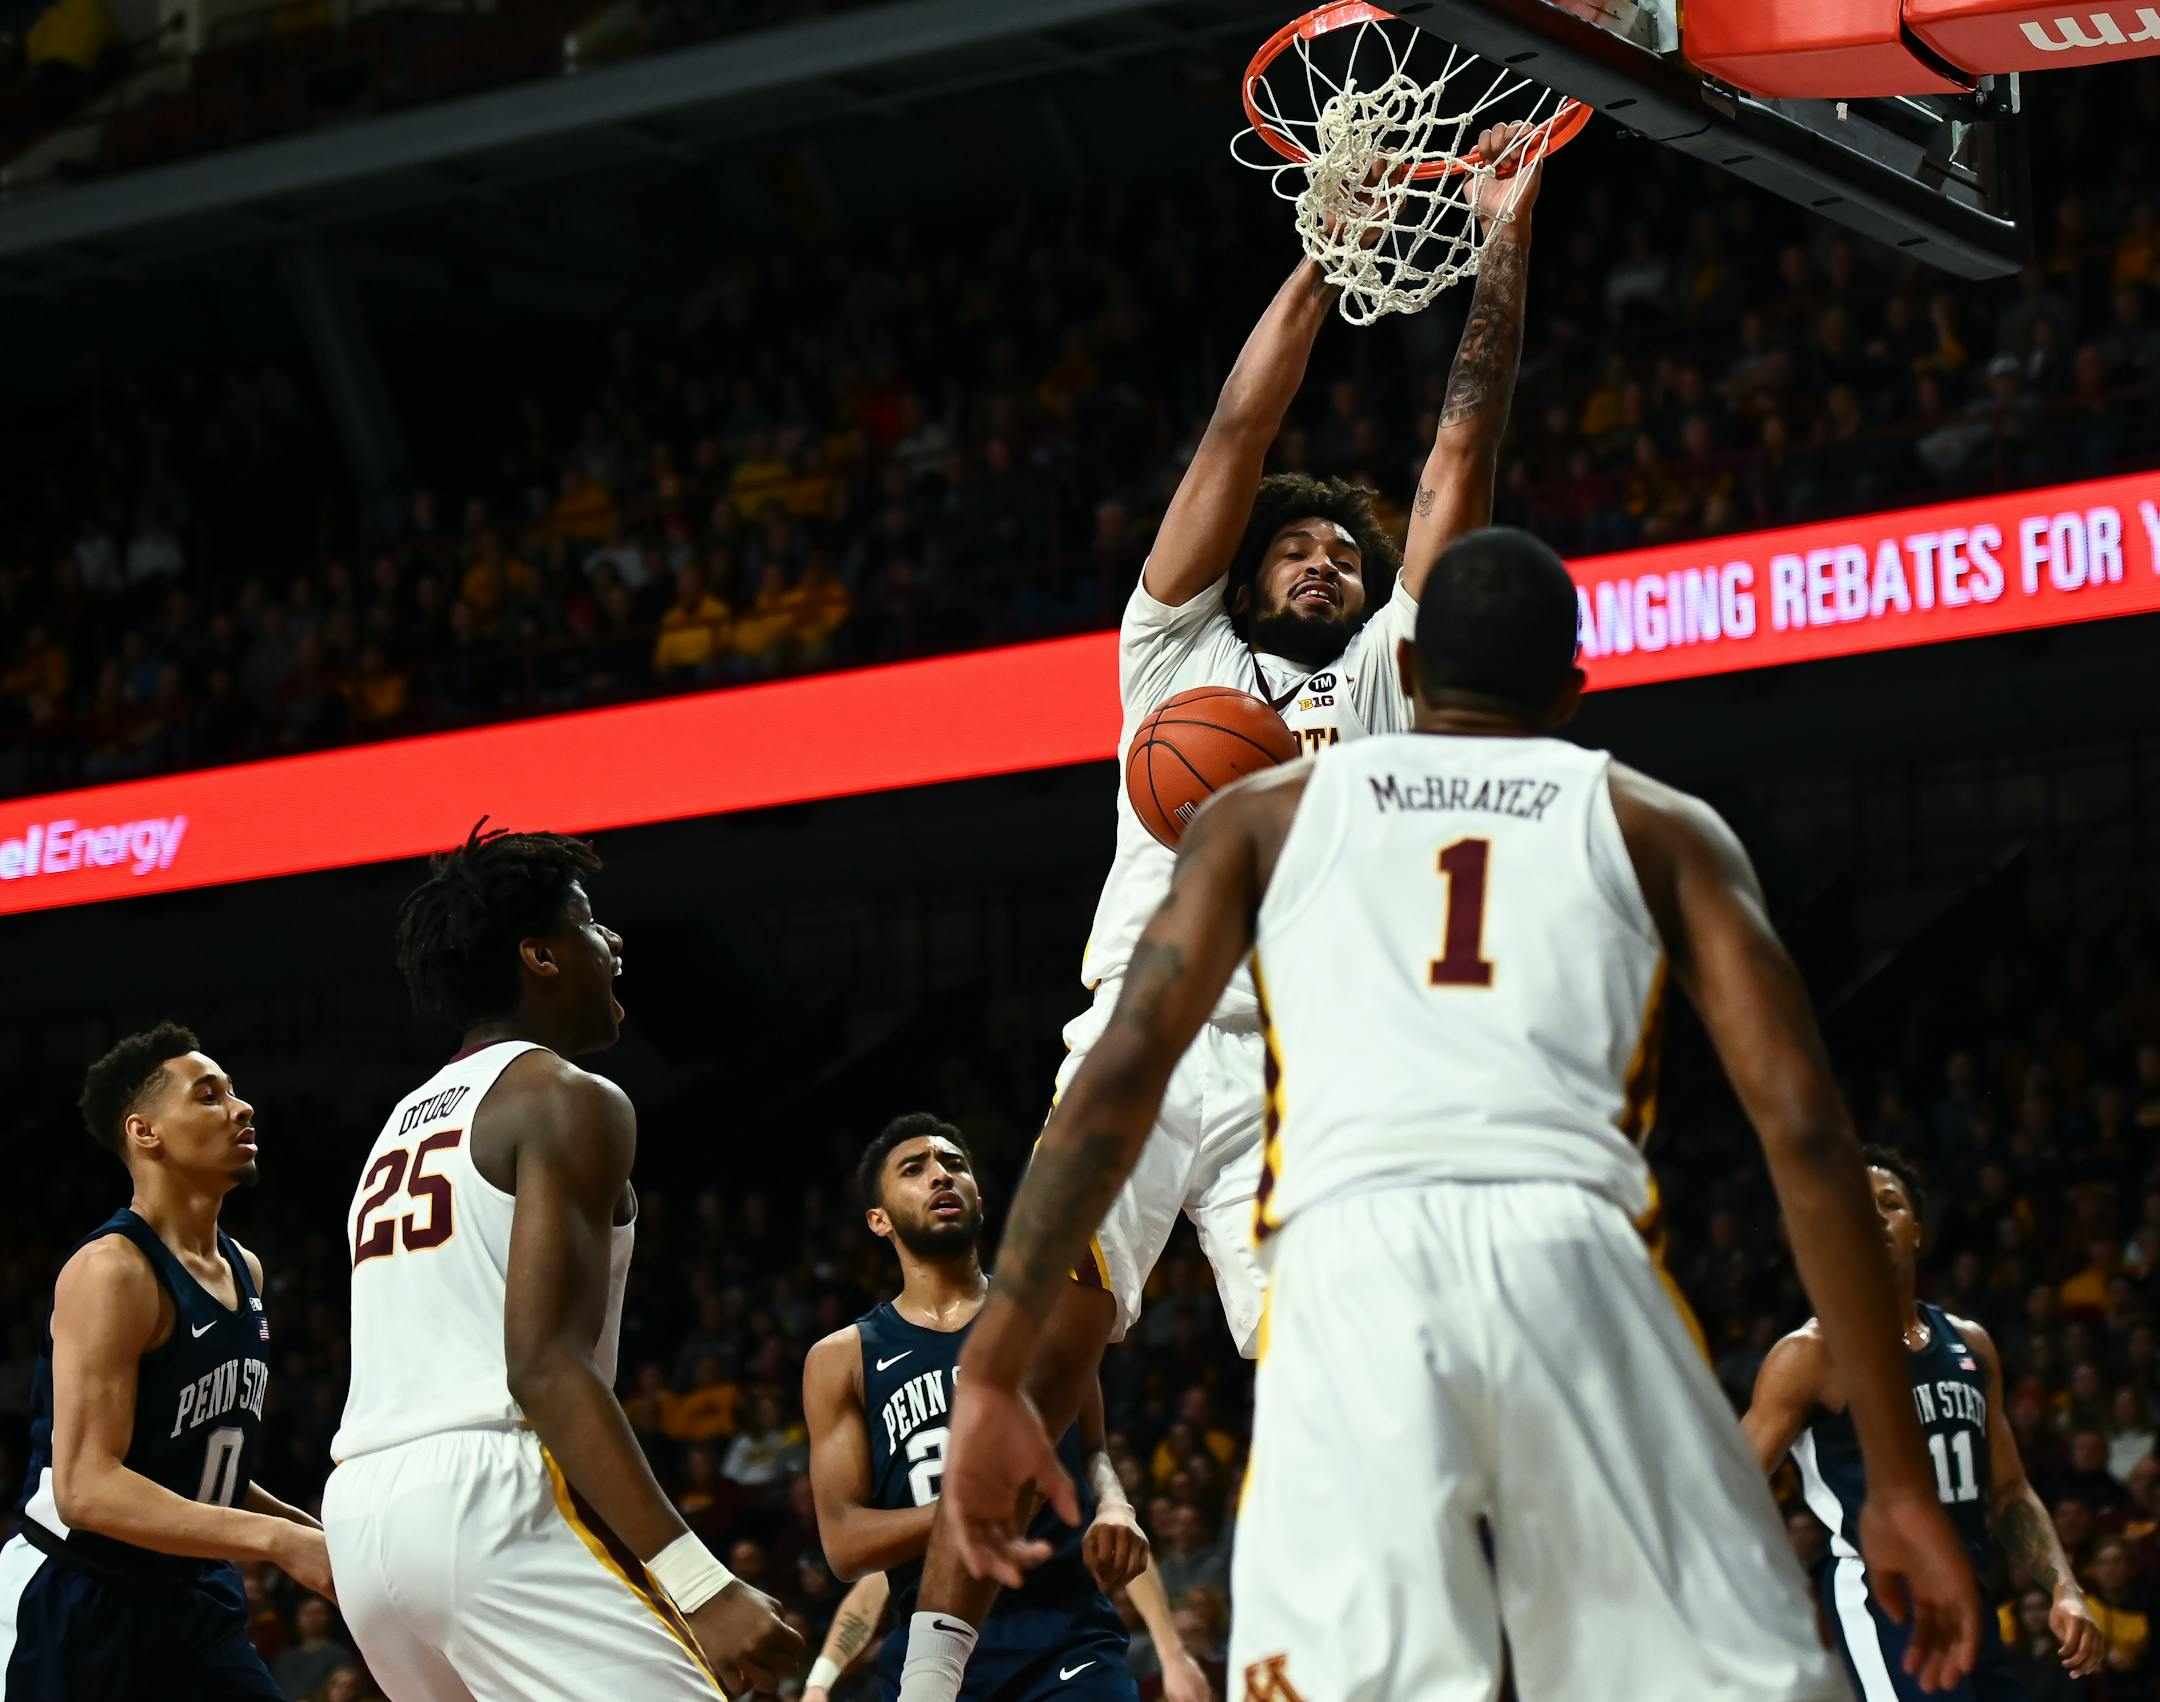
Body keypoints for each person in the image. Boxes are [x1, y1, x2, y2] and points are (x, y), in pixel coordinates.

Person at [938, 528, 1984, 1700]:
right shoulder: (1658, 825)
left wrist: (992, 1373)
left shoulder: (1265, 815)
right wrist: (1900, 1482)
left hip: (1349, 1275)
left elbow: (1115, 1085)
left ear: (1410, 672)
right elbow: (1807, 1135)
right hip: (1573, 1259)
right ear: (1571, 691)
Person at [894, 123, 1546, 1702]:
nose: (1326, 563)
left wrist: (1499, 256)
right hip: (1141, 1023)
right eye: (1299, 547)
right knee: (1026, 1364)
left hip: (1306, 1068)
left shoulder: (1385, 676)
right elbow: (1237, 430)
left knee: (1347, 1387)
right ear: (1247, 572)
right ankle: (925, 1682)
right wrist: (1330, 247)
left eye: (1345, 555)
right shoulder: (1171, 650)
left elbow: (1458, 466)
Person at [320, 825, 802, 1700]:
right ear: (539, 956)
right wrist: (701, 1583)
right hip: (488, 1492)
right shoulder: (561, 1096)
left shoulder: (398, 1124)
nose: (611, 942)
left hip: (362, 1514)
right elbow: (544, 1365)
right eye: (588, 924)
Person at [0, 1024, 331, 1699]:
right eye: (209, 1096)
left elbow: (198, 1472)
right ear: (144, 1131)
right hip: (79, 1598)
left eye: (233, 1092)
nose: (241, 1108)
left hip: (192, 1597)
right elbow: (86, 1488)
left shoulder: (245, 1271)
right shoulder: (113, 1270)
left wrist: (316, 1537)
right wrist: (277, 1542)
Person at [804, 1115, 1152, 1702]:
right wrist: (972, 1504)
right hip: (932, 1642)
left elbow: (1092, 1448)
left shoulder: (1047, 1314)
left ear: (979, 1200)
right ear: (878, 1219)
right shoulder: (843, 1357)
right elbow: (844, 1544)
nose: (940, 1175)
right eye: (913, 1170)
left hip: (1064, 1630)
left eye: (954, 1165)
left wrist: (1116, 1506)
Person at [1745, 1150, 2105, 1700]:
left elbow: (2010, 1492)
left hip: (1970, 1600)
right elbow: (1731, 1483)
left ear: (1917, 1231)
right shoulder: (1811, 1354)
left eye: (1889, 1204)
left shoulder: (1971, 1344)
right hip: (1883, 1601)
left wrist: (2064, 1588)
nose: (1873, 1216)